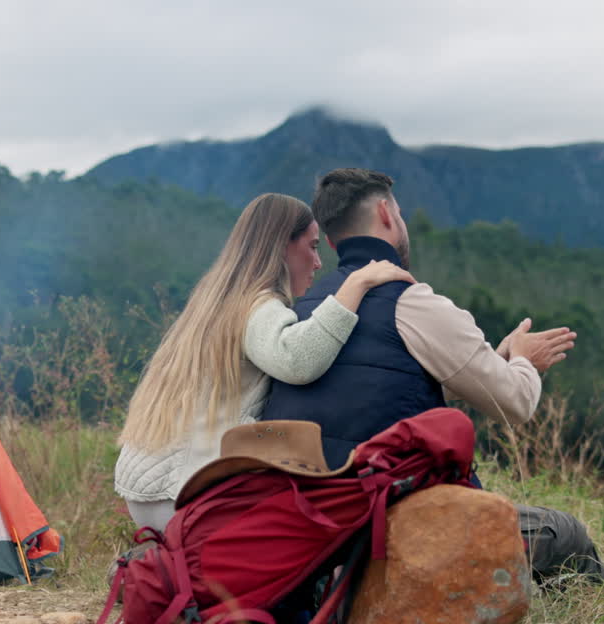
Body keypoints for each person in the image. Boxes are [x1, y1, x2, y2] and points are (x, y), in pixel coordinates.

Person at [261, 168, 604, 582]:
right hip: (397, 529)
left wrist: (492, 360)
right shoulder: (413, 303)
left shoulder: (300, 313)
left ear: (332, 241)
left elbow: (380, 388)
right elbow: (514, 402)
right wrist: (524, 361)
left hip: (310, 530)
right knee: (565, 534)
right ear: (387, 214)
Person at [114, 192, 414, 533]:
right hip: (186, 498)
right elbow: (297, 360)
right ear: (282, 246)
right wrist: (356, 284)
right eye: (312, 246)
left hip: (147, 494)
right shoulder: (256, 305)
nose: (318, 262)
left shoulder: (213, 302)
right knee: (317, 530)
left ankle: (164, 562)